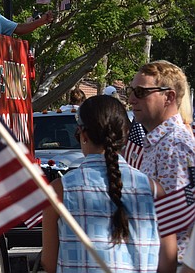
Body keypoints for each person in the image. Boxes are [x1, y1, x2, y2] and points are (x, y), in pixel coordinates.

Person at [40, 95, 176, 273]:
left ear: (84, 135)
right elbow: (169, 261)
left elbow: (49, 263)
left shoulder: (60, 190)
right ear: (125, 136)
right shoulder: (154, 190)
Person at [128, 60, 195, 265]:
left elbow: (180, 224)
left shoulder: (174, 146)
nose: (131, 99)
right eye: (131, 91)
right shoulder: (160, 143)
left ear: (169, 97)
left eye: (140, 92)